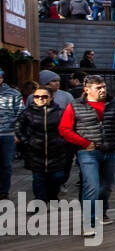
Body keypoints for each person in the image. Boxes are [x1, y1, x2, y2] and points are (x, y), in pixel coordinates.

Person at [58, 75, 115, 228]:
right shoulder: (75, 105)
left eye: (104, 87)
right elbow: (64, 128)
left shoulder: (114, 103)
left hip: (111, 150)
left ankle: (102, 211)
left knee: (107, 185)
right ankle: (89, 222)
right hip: (88, 151)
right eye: (98, 88)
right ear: (87, 90)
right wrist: (84, 143)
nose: (103, 90)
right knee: (92, 185)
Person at [16, 86, 72, 203]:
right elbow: (19, 128)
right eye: (37, 96)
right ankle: (40, 201)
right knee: (38, 179)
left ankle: (52, 197)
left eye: (44, 96)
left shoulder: (60, 112)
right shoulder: (28, 113)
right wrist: (27, 141)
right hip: (36, 151)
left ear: (51, 98)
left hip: (56, 151)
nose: (40, 99)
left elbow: (70, 128)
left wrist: (63, 142)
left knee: (57, 177)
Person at [0, 71, 22, 200]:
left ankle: (4, 191)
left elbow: (20, 113)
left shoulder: (13, 94)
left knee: (6, 164)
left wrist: (16, 132)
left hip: (8, 133)